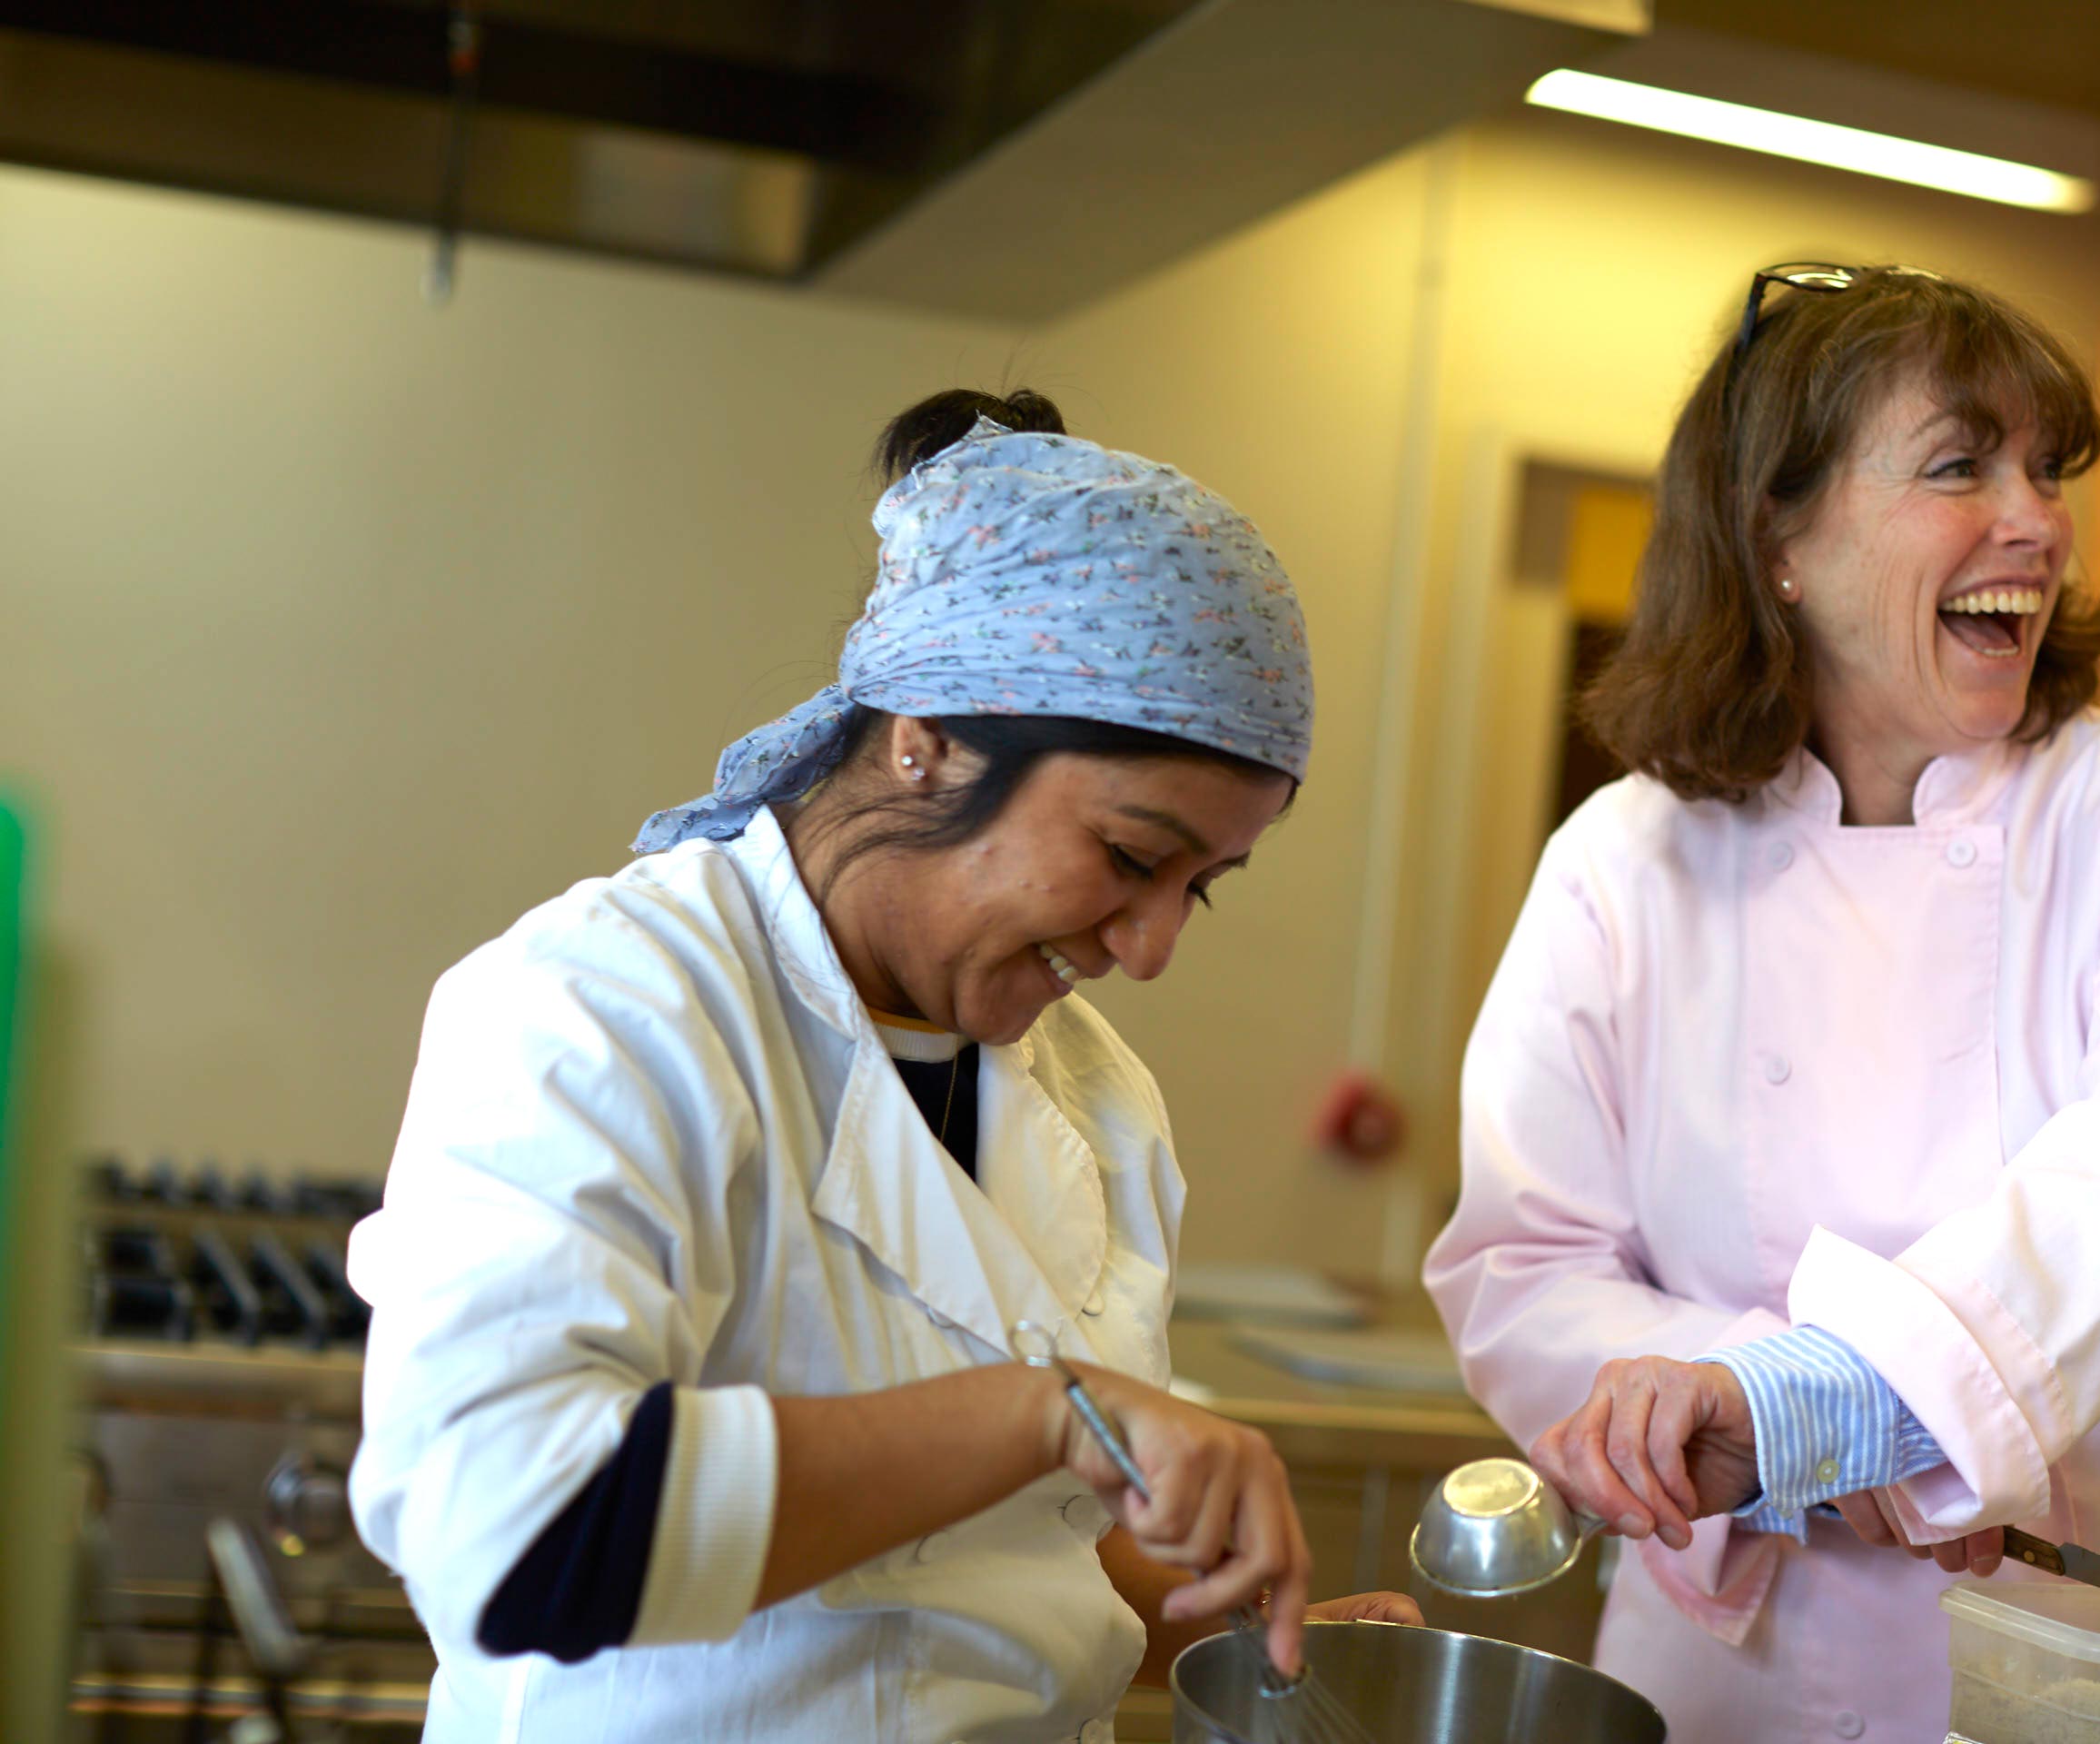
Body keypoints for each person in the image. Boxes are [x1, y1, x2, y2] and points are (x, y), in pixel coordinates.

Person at [349, 390, 1417, 1743]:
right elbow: (515, 1534)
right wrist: (1044, 1414)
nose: (1149, 949)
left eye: (1201, 888)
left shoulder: (1099, 1104)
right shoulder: (606, 1005)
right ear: (928, 735)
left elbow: (1030, 1568)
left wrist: (1255, 1639)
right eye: (1133, 859)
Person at [1423, 265, 2100, 1741]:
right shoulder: (1628, 857)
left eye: (2046, 467)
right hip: (1737, 1664)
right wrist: (1768, 1412)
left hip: (2094, 1650)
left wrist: (1841, 1401)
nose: (2036, 519)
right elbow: (1523, 1263)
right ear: (1780, 539)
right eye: (1962, 465)